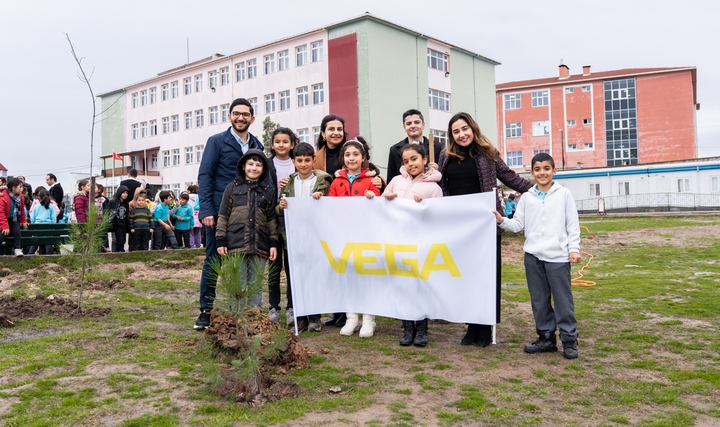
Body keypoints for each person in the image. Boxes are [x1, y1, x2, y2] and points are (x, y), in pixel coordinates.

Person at [436, 112, 533, 347]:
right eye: (456, 131)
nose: (461, 134)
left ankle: (486, 325)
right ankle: (471, 325)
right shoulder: (445, 156)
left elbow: (510, 177)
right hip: (459, 227)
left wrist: (541, 189)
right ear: (451, 136)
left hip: (486, 225)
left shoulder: (487, 153)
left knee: (486, 277)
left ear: (473, 128)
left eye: (464, 129)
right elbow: (438, 185)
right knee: (465, 277)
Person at [493, 153, 581, 359]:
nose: (542, 173)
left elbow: (572, 224)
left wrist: (573, 248)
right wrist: (501, 220)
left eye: (546, 168)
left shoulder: (564, 194)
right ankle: (546, 338)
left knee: (563, 301)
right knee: (539, 300)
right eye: (538, 169)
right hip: (533, 257)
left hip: (557, 257)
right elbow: (518, 225)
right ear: (531, 173)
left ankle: (569, 339)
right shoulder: (527, 197)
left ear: (554, 171)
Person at [195, 98, 266, 330]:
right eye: (236, 114)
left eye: (245, 114)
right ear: (229, 116)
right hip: (219, 212)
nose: (240, 118)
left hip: (249, 215)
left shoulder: (257, 144)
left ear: (252, 118)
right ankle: (205, 311)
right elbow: (205, 176)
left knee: (247, 261)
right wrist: (206, 209)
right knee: (214, 260)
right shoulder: (216, 142)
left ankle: (246, 311)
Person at [376, 144, 442, 346]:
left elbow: (439, 216)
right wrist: (385, 198)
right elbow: (380, 206)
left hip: (420, 243)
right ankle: (407, 327)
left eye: (414, 159)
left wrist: (426, 207)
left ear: (424, 159)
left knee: (419, 285)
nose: (410, 164)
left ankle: (422, 328)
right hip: (397, 240)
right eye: (406, 161)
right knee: (402, 284)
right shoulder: (395, 181)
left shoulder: (434, 187)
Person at [322, 138, 382, 337]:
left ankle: (368, 319)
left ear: (363, 157)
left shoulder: (371, 180)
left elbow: (378, 200)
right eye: (347, 154)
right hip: (344, 235)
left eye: (356, 154)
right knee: (348, 277)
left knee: (366, 276)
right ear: (342, 158)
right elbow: (330, 206)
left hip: (365, 236)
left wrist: (373, 196)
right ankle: (351, 317)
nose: (351, 158)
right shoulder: (336, 181)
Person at [277, 142, 333, 332]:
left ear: (313, 160)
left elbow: (330, 203)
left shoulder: (323, 180)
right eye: (299, 160)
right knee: (295, 277)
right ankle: (299, 317)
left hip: (315, 236)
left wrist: (321, 198)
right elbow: (278, 207)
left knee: (313, 276)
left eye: (307, 160)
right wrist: (282, 206)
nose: (303, 164)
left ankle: (315, 317)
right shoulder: (289, 182)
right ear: (293, 161)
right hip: (293, 238)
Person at [215, 149, 278, 308]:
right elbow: (223, 215)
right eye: (250, 164)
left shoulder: (268, 192)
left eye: (258, 165)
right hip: (236, 243)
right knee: (239, 283)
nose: (254, 168)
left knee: (256, 284)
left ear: (263, 169)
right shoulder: (232, 188)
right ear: (243, 166)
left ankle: (254, 319)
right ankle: (237, 319)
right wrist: (220, 239)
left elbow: (271, 220)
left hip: (260, 244)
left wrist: (273, 243)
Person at [267, 127, 297, 325]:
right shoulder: (267, 164)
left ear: (292, 144)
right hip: (272, 221)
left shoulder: (298, 164)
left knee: (292, 267)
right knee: (274, 266)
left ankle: (292, 307)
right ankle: (273, 306)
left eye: (285, 141)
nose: (281, 145)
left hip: (293, 222)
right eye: (278, 141)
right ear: (272, 145)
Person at [386, 109, 443, 183]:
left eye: (417, 122)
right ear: (404, 127)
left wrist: (438, 170)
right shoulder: (394, 150)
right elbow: (391, 179)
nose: (413, 126)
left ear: (423, 125)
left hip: (430, 192)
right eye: (409, 123)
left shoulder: (437, 147)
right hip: (405, 193)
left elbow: (445, 179)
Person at [0, 178, 29, 256]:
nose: (22, 189)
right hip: (4, 219)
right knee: (3, 233)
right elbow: (1, 212)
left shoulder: (20, 197)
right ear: (13, 188)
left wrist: (23, 220)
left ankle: (17, 249)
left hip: (13, 218)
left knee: (17, 230)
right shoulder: (3, 196)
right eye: (20, 187)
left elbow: (22, 210)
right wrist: (5, 226)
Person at [30, 189, 57, 254]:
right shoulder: (51, 206)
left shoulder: (36, 206)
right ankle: (49, 257)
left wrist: (34, 225)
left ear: (40, 197)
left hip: (37, 227)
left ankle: (29, 254)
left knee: (35, 243)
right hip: (48, 227)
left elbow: (32, 218)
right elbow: (53, 219)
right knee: (48, 244)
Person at [106, 185, 130, 252]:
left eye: (126, 193)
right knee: (120, 241)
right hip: (117, 225)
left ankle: (120, 252)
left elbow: (127, 214)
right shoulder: (113, 202)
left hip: (124, 225)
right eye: (123, 193)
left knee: (124, 241)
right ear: (119, 193)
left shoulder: (126, 203)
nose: (125, 195)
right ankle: (120, 253)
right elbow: (107, 212)